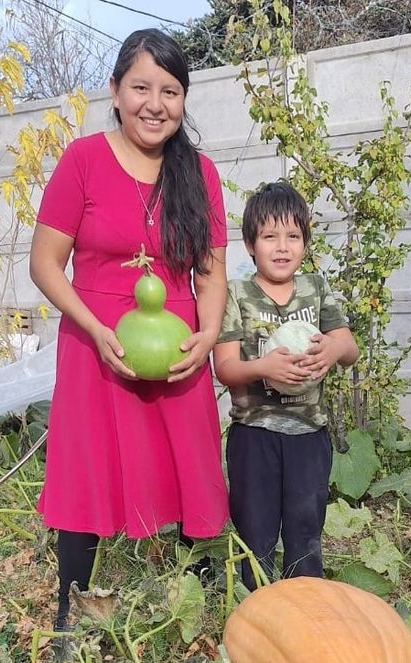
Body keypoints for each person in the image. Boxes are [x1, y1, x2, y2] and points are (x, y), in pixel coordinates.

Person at [29, 29, 229, 632]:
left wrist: (208, 334)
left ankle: (199, 607)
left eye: (170, 91)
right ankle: (72, 617)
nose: (155, 103)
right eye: (141, 87)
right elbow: (44, 263)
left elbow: (211, 273)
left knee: (189, 464)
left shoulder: (201, 174)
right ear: (115, 91)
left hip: (176, 346)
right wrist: (95, 329)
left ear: (184, 100)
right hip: (96, 343)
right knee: (86, 472)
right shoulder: (82, 161)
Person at [213, 181, 359, 589]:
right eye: (270, 236)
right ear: (250, 245)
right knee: (254, 534)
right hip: (254, 437)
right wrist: (263, 368)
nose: (282, 247)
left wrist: (332, 348)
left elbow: (350, 347)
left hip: (309, 436)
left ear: (305, 243)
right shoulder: (237, 295)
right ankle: (255, 614)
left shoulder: (317, 288)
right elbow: (224, 366)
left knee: (305, 531)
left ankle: (304, 610)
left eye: (293, 236)